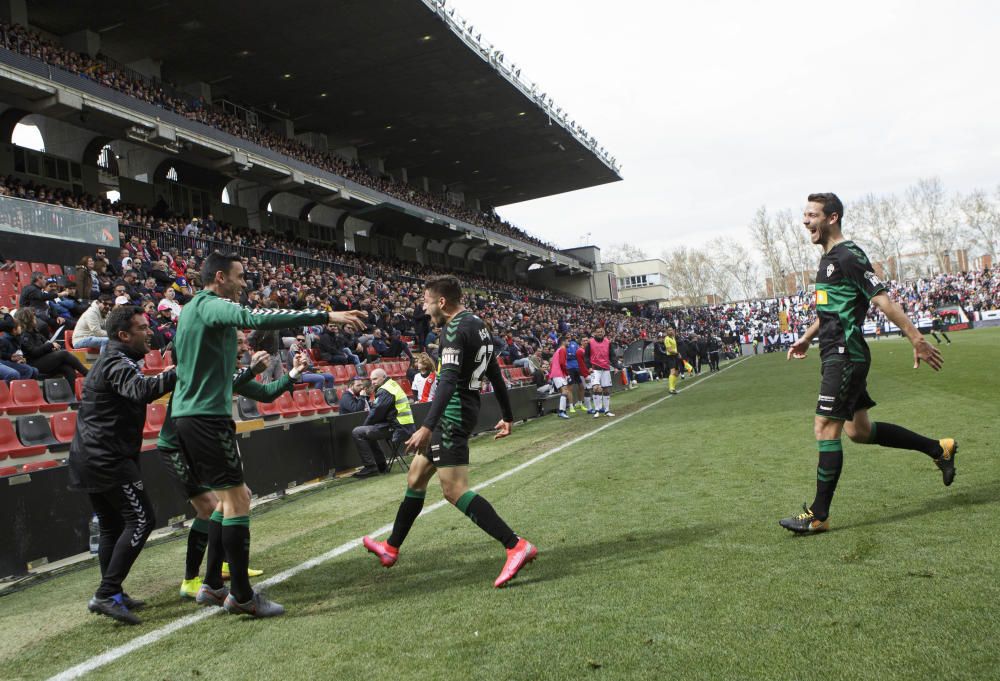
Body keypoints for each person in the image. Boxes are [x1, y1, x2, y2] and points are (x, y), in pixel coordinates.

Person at [171, 251, 366, 618]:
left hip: (196, 417)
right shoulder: (210, 305)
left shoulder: (195, 313)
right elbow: (253, 316)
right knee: (238, 500)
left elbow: (224, 379)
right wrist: (326, 314)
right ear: (218, 279)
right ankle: (241, 596)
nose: (245, 283)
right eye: (240, 276)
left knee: (233, 498)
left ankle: (213, 584)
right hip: (204, 419)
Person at [780, 193, 956, 534]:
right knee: (858, 431)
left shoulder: (849, 255)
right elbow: (832, 309)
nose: (805, 221)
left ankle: (819, 515)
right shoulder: (828, 258)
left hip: (845, 354)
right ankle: (939, 448)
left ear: (831, 218)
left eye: (811, 214)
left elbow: (882, 301)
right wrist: (806, 337)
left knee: (825, 428)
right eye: (804, 214)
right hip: (835, 351)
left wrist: (915, 338)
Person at [362, 276, 536, 588]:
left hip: (453, 415)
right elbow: (493, 371)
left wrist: (428, 425)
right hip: (461, 409)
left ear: (442, 302)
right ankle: (390, 548)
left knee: (453, 490)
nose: (425, 309)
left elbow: (448, 380)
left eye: (427, 302)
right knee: (415, 478)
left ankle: (515, 545)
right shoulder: (479, 325)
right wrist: (507, 415)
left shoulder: (454, 329)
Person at [160, 331, 306, 599]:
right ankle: (192, 580)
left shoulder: (227, 371)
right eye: (238, 342)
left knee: (234, 501)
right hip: (177, 448)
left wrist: (294, 372)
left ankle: (221, 570)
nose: (244, 346)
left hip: (204, 444)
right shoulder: (203, 368)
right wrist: (250, 371)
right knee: (211, 507)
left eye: (243, 341)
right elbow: (220, 385)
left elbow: (265, 393)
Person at [67, 305, 177, 624]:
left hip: (92, 456)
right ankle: (106, 593)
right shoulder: (117, 360)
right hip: (106, 458)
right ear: (123, 335)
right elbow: (141, 391)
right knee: (141, 520)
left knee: (113, 526)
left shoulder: (117, 359)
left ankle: (113, 593)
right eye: (142, 328)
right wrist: (180, 371)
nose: (149, 332)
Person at [350, 368, 416, 478]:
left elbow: (376, 412)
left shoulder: (385, 390)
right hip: (404, 426)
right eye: (371, 380)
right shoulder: (392, 384)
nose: (373, 382)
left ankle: (371, 467)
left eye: (375, 379)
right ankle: (380, 465)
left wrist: (365, 425)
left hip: (398, 429)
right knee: (367, 431)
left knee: (358, 432)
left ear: (384, 377)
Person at [13, 307, 88, 384]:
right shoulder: (24, 335)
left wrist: (52, 347)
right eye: (33, 317)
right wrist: (50, 345)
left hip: (42, 359)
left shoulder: (34, 331)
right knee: (64, 354)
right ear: (28, 320)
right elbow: (34, 352)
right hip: (33, 363)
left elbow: (45, 344)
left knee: (67, 368)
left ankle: (75, 394)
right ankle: (88, 374)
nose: (35, 318)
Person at [585, 326, 615, 417]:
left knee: (606, 389)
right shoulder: (590, 343)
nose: (600, 333)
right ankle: (597, 410)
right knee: (596, 388)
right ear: (594, 333)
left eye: (601, 332)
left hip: (605, 368)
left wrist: (616, 365)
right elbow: (586, 356)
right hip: (595, 369)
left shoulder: (608, 342)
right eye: (598, 332)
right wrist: (589, 367)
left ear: (603, 332)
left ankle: (606, 411)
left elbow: (612, 356)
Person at [547, 337, 573, 419]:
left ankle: (563, 411)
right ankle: (561, 411)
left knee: (564, 391)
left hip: (556, 374)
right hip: (559, 374)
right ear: (563, 342)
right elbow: (562, 364)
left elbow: (552, 364)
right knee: (565, 391)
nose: (569, 343)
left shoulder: (557, 351)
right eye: (568, 341)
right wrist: (567, 374)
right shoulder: (562, 349)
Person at [663, 327, 680, 394]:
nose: (671, 331)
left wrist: (677, 354)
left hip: (675, 356)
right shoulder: (667, 339)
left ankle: (673, 387)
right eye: (669, 330)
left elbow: (674, 348)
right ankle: (671, 389)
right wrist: (677, 353)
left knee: (676, 373)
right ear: (667, 332)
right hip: (670, 357)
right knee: (672, 372)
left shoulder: (673, 337)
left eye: (671, 330)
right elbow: (669, 350)